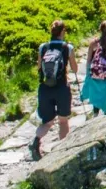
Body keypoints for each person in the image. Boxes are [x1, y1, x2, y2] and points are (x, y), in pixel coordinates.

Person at [31, 19, 78, 160]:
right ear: (62, 32)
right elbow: (75, 69)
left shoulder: (43, 47)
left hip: (45, 88)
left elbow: (39, 68)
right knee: (63, 121)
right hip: (62, 88)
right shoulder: (67, 48)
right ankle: (62, 152)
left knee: (47, 121)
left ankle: (36, 141)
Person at [80, 21, 106, 117]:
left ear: (100, 30)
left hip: (95, 74)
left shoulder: (94, 43)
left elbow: (89, 61)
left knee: (96, 93)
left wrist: (88, 73)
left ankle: (95, 114)